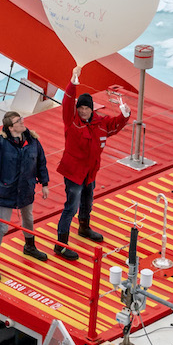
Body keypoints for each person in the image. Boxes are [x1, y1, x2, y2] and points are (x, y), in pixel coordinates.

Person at [55, 66, 130, 261]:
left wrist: (125, 115)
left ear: (92, 108)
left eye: (86, 108)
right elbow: (67, 103)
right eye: (80, 108)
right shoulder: (71, 121)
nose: (83, 111)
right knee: (70, 207)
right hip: (73, 173)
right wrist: (72, 84)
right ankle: (60, 245)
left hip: (90, 172)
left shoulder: (101, 122)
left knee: (87, 202)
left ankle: (84, 228)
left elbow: (114, 126)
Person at [0, 108, 50, 282]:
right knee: (3, 226)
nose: (22, 122)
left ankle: (30, 246)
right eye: (18, 121)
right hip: (7, 190)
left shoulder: (32, 141)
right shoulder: (0, 143)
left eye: (21, 119)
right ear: (10, 127)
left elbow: (41, 161)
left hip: (26, 189)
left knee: (28, 219)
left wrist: (44, 183)